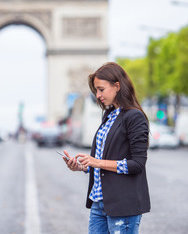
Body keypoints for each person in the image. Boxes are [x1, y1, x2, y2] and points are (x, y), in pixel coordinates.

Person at [63, 62, 150, 234]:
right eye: (96, 90)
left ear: (117, 86)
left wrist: (98, 162)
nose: (98, 95)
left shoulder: (135, 117)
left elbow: (137, 164)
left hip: (123, 204)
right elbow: (105, 159)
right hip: (99, 201)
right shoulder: (109, 116)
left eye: (101, 89)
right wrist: (83, 166)